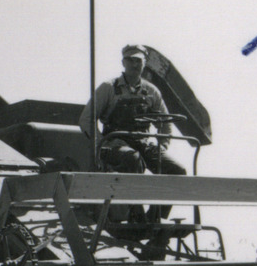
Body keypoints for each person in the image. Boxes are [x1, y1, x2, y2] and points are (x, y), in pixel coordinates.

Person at [79, 44, 186, 180]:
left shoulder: (151, 91)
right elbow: (86, 120)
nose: (134, 64)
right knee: (133, 159)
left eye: (138, 61)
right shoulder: (109, 88)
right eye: (130, 60)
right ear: (123, 62)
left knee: (177, 171)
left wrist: (162, 146)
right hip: (116, 144)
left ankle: (158, 201)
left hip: (143, 144)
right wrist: (103, 143)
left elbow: (165, 123)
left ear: (144, 63)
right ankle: (133, 201)